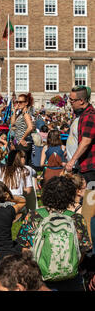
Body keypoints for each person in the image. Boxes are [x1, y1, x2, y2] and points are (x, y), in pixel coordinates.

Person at [16, 175, 92, 291]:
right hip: (70, 279)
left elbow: (25, 250)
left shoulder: (34, 216)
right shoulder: (77, 218)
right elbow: (83, 250)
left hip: (41, 280)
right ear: (70, 195)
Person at [65, 86, 95, 241]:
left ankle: (90, 240)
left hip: (90, 168)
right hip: (84, 166)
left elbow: (86, 142)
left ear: (82, 101)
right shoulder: (83, 114)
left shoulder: (90, 116)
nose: (70, 102)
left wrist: (72, 160)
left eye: (72, 100)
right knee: (84, 202)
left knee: (89, 206)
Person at [10, 93, 34, 164]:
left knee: (21, 166)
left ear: (26, 103)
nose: (18, 104)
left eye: (20, 102)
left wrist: (23, 138)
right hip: (19, 143)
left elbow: (30, 127)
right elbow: (12, 123)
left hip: (24, 144)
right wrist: (14, 111)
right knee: (19, 166)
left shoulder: (26, 114)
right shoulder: (21, 113)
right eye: (17, 102)